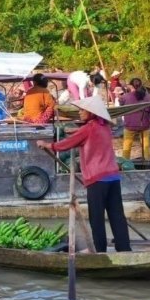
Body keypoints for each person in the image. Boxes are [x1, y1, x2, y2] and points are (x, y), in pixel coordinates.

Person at [36, 96, 131, 253]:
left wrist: (47, 144)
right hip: (113, 177)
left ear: (91, 113)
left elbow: (66, 144)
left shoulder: (89, 129)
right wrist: (76, 131)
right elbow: (86, 133)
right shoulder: (104, 126)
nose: (79, 112)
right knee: (117, 215)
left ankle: (99, 250)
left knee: (96, 218)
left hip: (97, 179)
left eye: (82, 110)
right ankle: (124, 248)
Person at [119, 78, 150, 160]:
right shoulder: (148, 97)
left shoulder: (125, 97)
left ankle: (125, 163)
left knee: (126, 147)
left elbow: (121, 106)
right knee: (146, 146)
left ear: (131, 86)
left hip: (130, 125)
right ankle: (147, 163)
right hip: (144, 125)